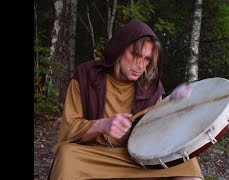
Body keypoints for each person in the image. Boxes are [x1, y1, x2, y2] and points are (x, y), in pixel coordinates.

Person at [49, 20, 203, 180]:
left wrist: (173, 107)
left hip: (132, 159)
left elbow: (157, 135)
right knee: (67, 155)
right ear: (119, 49)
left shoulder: (152, 88)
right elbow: (69, 131)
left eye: (147, 59)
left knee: (188, 164)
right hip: (94, 156)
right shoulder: (86, 75)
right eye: (135, 55)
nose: (140, 65)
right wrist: (102, 125)